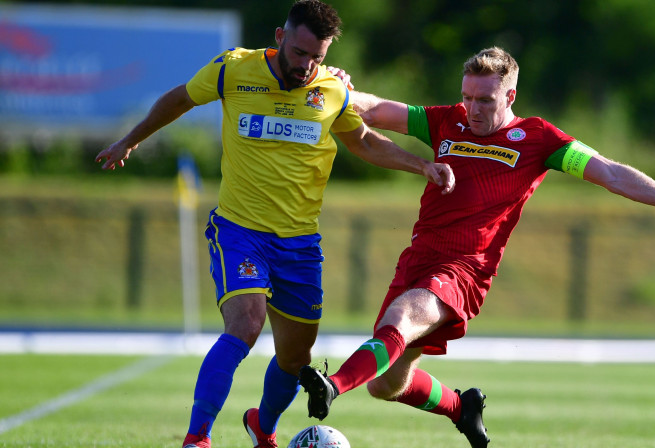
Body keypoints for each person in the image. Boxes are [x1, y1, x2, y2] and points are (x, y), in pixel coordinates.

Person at [298, 47, 655, 448]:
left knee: (400, 318)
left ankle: (332, 385)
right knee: (386, 383)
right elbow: (373, 110)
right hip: (417, 259)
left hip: (464, 270)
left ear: (510, 96)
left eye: (484, 100)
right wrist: (333, 84)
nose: (471, 108)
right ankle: (460, 407)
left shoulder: (539, 139)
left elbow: (611, 173)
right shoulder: (445, 120)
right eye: (467, 96)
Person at [95, 2, 454, 448]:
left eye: (317, 57)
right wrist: (129, 140)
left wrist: (423, 166)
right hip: (239, 232)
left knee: (295, 356)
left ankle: (262, 426)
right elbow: (180, 99)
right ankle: (196, 438)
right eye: (301, 52)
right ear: (280, 37)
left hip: (300, 244)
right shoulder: (234, 69)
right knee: (246, 324)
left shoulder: (331, 91)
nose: (307, 65)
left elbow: (362, 140)